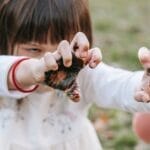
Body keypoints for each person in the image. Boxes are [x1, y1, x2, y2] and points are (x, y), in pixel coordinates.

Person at [0, 0, 150, 150]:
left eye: (64, 51)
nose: (52, 61)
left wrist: (142, 86)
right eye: (34, 49)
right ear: (5, 40)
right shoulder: (5, 70)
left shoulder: (82, 73)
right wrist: (32, 71)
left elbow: (118, 85)